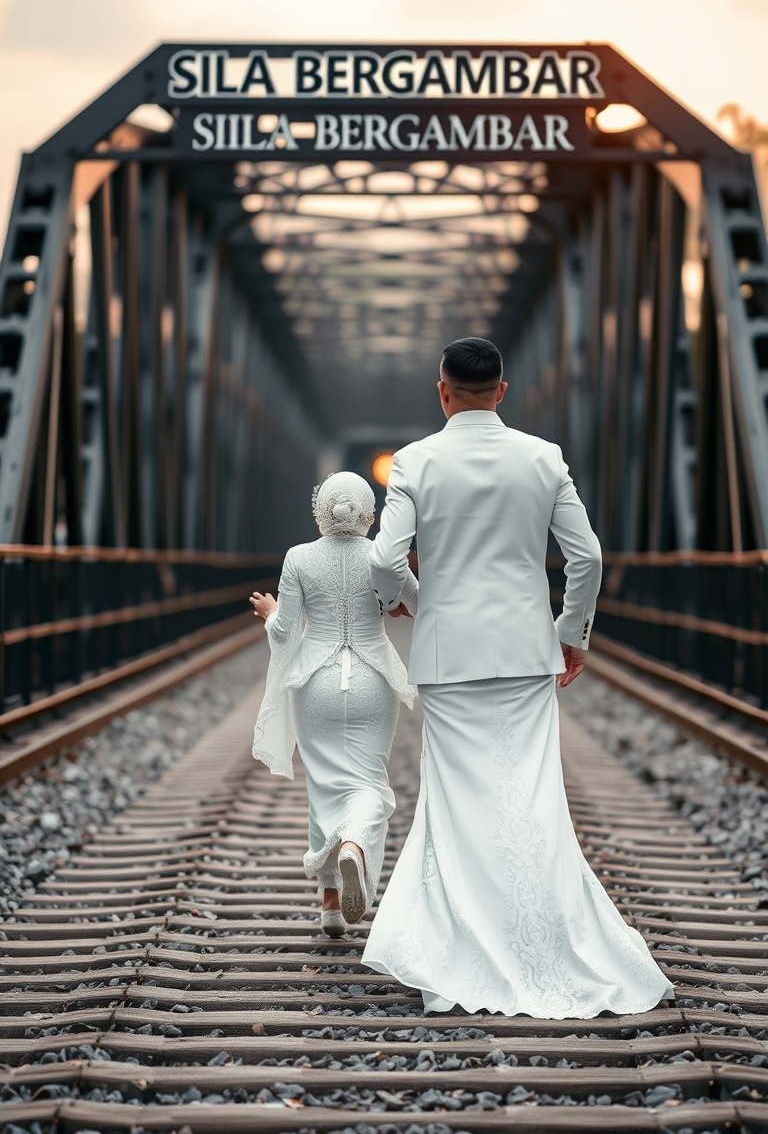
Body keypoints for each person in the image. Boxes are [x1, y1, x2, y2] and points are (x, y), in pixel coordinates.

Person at [363, 336, 673, 1017]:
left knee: (455, 804)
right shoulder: (543, 458)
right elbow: (586, 557)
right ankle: (541, 939)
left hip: (449, 658)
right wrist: (570, 635)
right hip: (527, 657)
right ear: (502, 391)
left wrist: (418, 600)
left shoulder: (415, 461)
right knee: (531, 800)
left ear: (441, 391)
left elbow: (385, 561)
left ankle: (460, 947)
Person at [250, 472, 418, 937]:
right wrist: (398, 602)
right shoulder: (384, 556)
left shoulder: (298, 557)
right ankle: (356, 848)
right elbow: (422, 605)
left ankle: (328, 904)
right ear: (369, 515)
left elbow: (285, 632)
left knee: (323, 787)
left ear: (319, 511)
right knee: (370, 782)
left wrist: (269, 615)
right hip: (373, 678)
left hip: (316, 682)